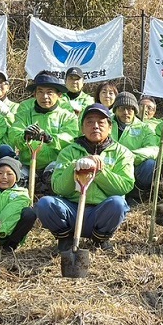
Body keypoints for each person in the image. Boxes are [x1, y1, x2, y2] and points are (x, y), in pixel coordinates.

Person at [36, 103, 135, 251]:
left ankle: (100, 238)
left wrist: (100, 172)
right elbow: (59, 187)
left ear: (110, 127)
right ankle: (65, 238)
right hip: (72, 211)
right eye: (89, 122)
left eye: (101, 122)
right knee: (45, 204)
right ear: (82, 128)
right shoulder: (68, 152)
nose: (95, 126)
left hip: (101, 212)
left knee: (118, 203)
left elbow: (125, 186)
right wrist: (74, 167)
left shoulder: (122, 153)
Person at [8, 72, 79, 192]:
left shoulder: (68, 117)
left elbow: (70, 138)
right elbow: (14, 134)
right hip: (27, 164)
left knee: (56, 178)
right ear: (34, 94)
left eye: (50, 92)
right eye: (40, 92)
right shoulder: (24, 114)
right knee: (13, 176)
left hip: (55, 164)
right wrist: (25, 136)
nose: (44, 96)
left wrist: (50, 139)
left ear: (59, 95)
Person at [111, 91, 161, 199]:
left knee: (150, 164)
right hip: (110, 164)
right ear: (115, 110)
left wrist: (129, 156)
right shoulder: (106, 123)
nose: (126, 112)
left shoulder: (144, 128)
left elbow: (153, 149)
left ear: (135, 110)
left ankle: (137, 194)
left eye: (130, 109)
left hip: (133, 165)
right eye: (121, 108)